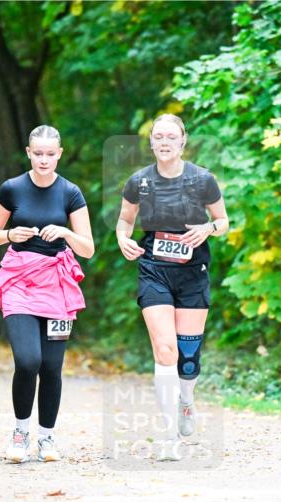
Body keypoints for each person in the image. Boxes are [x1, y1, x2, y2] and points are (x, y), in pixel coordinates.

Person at [115, 114, 229, 461]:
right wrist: (123, 238)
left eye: (171, 137)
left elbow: (223, 221)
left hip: (194, 272)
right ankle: (167, 437)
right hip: (154, 270)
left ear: (182, 142)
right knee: (165, 350)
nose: (164, 142)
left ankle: (187, 400)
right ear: (151, 143)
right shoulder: (139, 182)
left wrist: (208, 230)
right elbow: (125, 220)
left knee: (188, 359)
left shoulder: (201, 179)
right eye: (158, 137)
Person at [0, 125, 94, 464]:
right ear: (28, 153)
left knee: (51, 366)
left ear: (59, 154)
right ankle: (20, 432)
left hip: (58, 286)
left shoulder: (70, 193)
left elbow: (87, 247)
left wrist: (64, 231)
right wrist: (9, 234)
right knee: (28, 360)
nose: (44, 159)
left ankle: (46, 437)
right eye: (38, 153)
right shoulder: (12, 189)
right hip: (19, 281)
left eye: (50, 154)